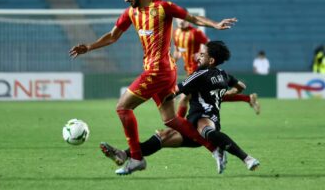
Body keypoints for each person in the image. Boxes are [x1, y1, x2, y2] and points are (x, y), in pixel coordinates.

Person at [69, 0, 237, 175]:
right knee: (170, 120)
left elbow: (191, 18)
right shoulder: (131, 13)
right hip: (160, 70)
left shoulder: (163, 7)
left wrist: (215, 24)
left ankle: (136, 159)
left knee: (122, 108)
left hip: (159, 70)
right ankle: (214, 148)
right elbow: (113, 36)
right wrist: (88, 47)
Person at [100, 41, 260, 174]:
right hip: (193, 127)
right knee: (161, 138)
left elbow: (175, 92)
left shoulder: (199, 74)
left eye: (202, 54)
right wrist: (229, 92)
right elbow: (241, 86)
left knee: (205, 129)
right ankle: (125, 154)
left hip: (203, 120)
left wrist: (152, 92)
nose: (198, 56)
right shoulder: (225, 75)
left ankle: (246, 158)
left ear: (210, 60)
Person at [173, 18, 260, 116]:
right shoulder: (175, 33)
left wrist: (201, 52)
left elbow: (209, 45)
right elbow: (177, 51)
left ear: (188, 20)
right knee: (207, 95)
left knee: (185, 97)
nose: (181, 21)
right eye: (179, 19)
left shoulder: (196, 32)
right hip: (189, 68)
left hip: (199, 68)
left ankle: (176, 128)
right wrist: (173, 62)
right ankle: (248, 98)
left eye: (183, 19)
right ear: (176, 20)